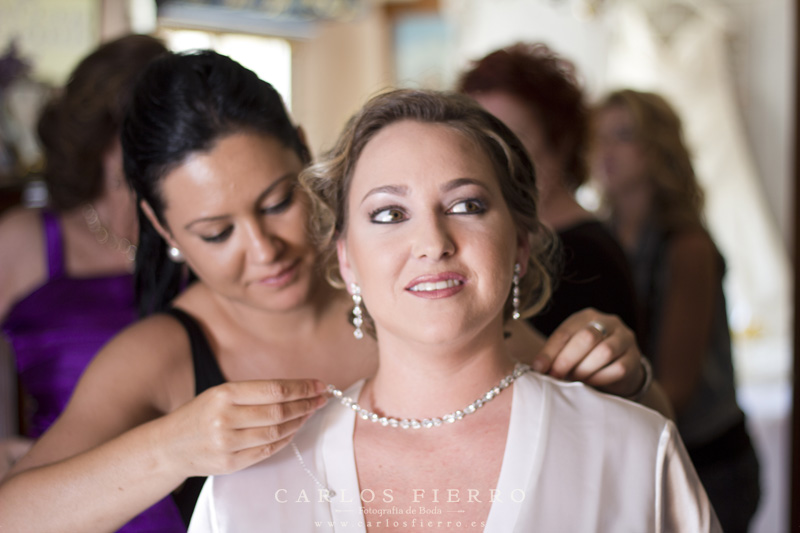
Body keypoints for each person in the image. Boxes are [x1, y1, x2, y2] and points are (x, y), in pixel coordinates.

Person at [0, 51, 651, 533]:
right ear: (162, 227)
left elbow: (616, 442)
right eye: (216, 231)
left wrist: (625, 378)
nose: (265, 249)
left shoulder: (409, 291)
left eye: (278, 201)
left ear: (305, 156)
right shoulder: (161, 355)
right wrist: (175, 445)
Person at [187, 88, 718, 532]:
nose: (432, 242)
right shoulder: (253, 483)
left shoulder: (633, 451)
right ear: (347, 261)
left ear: (521, 246)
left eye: (466, 205)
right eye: (389, 213)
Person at [0, 35, 186, 530]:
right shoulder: (26, 240)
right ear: (96, 138)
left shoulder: (199, 236)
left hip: (195, 497)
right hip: (66, 499)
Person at [592, 89, 760, 532]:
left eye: (623, 136)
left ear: (656, 147)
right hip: (648, 454)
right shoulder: (600, 238)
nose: (605, 150)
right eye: (599, 136)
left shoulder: (686, 246)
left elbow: (677, 390)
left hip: (708, 463)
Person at [457, 43, 639, 338]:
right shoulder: (489, 240)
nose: (492, 160)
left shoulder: (589, 257)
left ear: (561, 141)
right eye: (478, 141)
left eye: (513, 141)